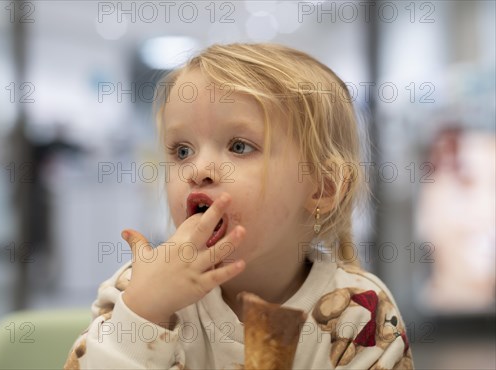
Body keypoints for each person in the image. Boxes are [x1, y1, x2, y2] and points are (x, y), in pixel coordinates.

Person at [64, 43, 414, 369]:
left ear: (322, 187)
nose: (198, 171)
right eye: (182, 151)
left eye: (239, 146)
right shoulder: (136, 288)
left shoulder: (360, 314)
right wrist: (143, 316)